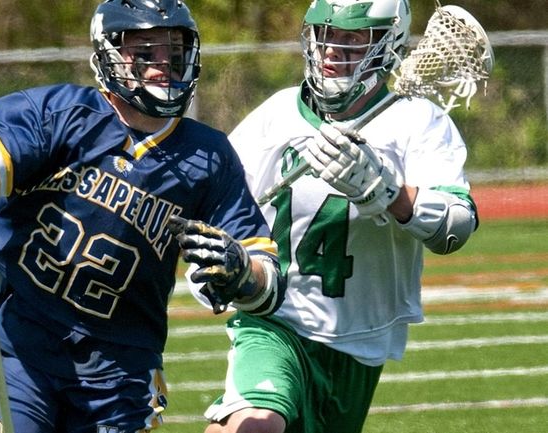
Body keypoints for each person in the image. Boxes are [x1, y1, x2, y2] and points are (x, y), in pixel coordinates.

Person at [0, 1, 282, 432]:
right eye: (145, 53)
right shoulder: (62, 113)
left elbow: (268, 280)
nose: (162, 65)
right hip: (24, 343)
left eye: (174, 51)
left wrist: (241, 270)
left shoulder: (209, 155)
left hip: (121, 367)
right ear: (109, 53)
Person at [197, 0, 479, 432]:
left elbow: (455, 227)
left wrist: (386, 191)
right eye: (325, 36)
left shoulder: (417, 122)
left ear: (387, 46)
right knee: (256, 424)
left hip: (360, 336)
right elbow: (222, 200)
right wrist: (225, 264)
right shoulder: (277, 114)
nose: (331, 51)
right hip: (276, 316)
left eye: (351, 39)